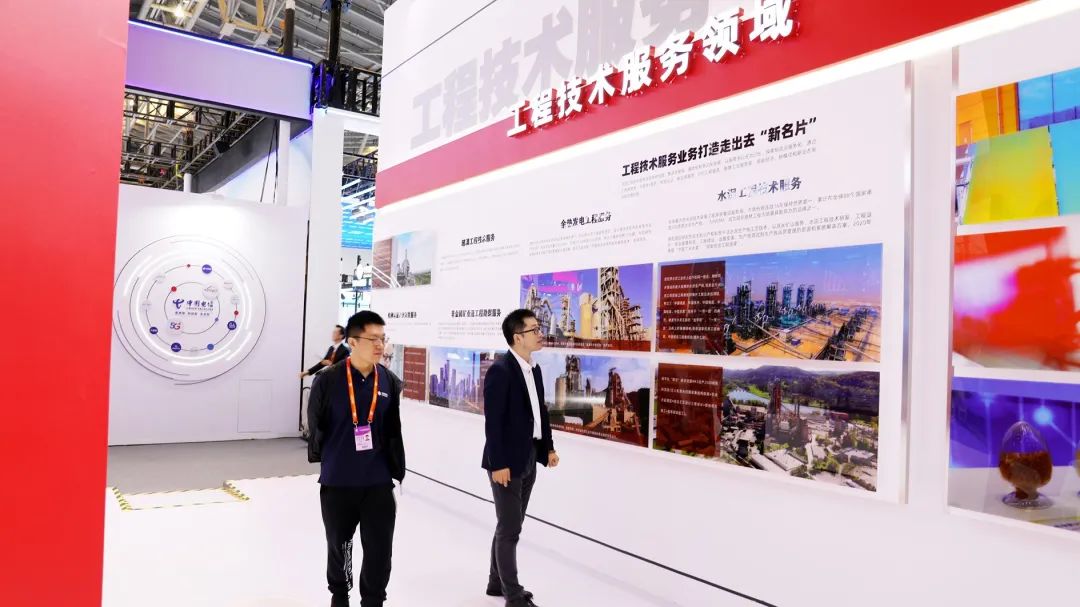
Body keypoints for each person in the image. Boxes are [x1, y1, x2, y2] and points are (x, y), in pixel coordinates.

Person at [307, 311, 405, 607]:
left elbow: (392, 429)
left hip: (378, 482)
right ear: (352, 342)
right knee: (341, 546)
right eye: (373, 338)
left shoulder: (389, 381)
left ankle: (373, 600)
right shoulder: (328, 380)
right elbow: (316, 424)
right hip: (339, 481)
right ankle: (340, 594)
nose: (380, 345)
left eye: (382, 338)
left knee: (379, 549)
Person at [481, 309, 560, 607]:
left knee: (509, 524)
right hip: (506, 463)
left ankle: (495, 582)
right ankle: (513, 595)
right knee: (510, 528)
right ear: (518, 337)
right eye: (534, 329)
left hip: (529, 455)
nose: (540, 334)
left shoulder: (533, 369)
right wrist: (499, 464)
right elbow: (493, 423)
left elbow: (541, 413)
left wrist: (548, 448)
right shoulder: (501, 371)